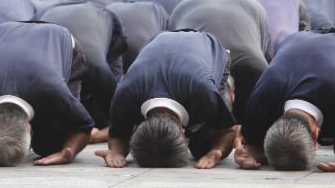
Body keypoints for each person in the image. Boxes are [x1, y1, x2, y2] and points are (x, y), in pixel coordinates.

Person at [0, 21, 93, 167]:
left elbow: (83, 125)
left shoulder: (53, 90)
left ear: (29, 127)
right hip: (4, 30)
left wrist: (67, 152)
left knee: (50, 146)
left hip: (55, 35)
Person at [236, 31, 335, 173]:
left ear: (314, 133)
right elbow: (252, 143)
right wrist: (248, 153)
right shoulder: (260, 101)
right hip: (299, 38)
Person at [99, 31, 236, 169]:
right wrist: (117, 152)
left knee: (203, 148)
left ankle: (226, 89)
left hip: (207, 44)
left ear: (183, 131)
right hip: (160, 38)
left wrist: (216, 152)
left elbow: (227, 131)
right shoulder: (124, 95)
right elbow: (118, 134)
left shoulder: (205, 94)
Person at [35, 0, 127, 142]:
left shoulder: (99, 70)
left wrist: (95, 134)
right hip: (48, 13)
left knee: (110, 116)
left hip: (98, 15)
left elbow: (124, 124)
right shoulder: (41, 73)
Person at [167, 0, 270, 119]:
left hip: (248, 8)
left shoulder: (256, 68)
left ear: (233, 96)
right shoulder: (183, 76)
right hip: (185, 8)